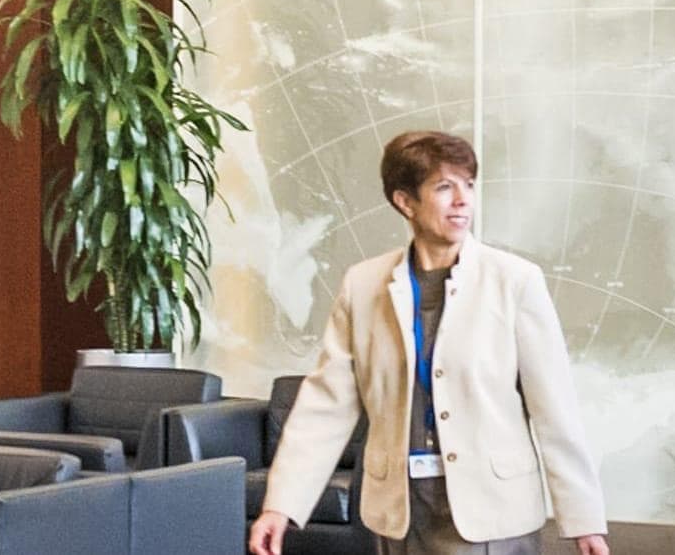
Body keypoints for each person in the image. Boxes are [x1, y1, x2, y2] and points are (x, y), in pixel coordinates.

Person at [249, 130, 610, 555]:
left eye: (469, 186)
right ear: (405, 201)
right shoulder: (363, 285)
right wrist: (281, 506)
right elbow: (326, 405)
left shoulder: (514, 281)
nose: (463, 200)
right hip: (400, 513)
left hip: (492, 513)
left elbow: (555, 408)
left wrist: (583, 521)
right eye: (444, 187)